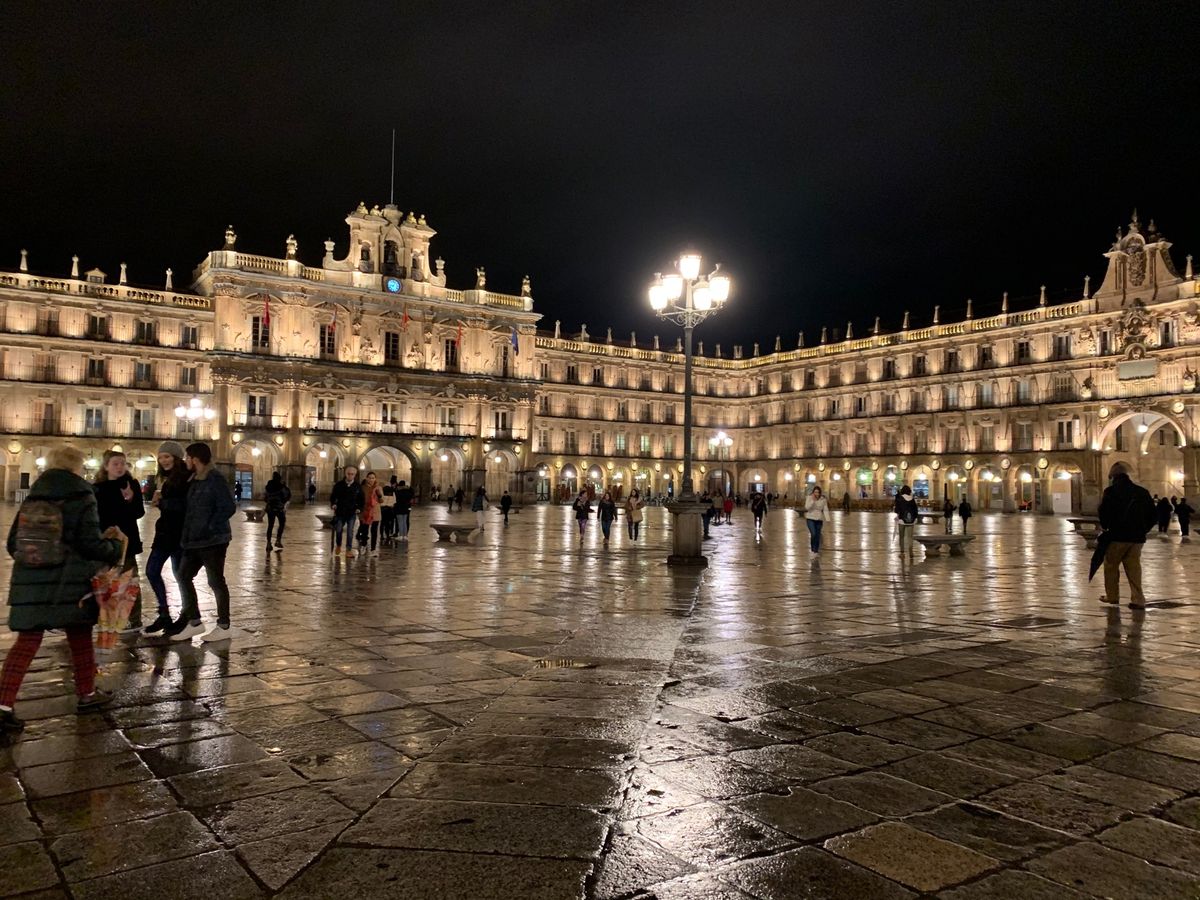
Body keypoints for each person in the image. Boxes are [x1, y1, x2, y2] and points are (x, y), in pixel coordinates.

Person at [1, 446, 125, 732]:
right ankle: (87, 694)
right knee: (80, 638)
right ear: (76, 468)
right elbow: (89, 543)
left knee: (27, 642)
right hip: (71, 581)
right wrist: (115, 546)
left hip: (31, 580)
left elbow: (12, 543)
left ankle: (3, 705)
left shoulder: (34, 496)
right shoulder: (81, 496)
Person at [168, 442, 237, 642]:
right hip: (194, 541)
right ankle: (195, 622)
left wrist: (209, 527)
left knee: (215, 581)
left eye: (187, 458)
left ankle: (224, 626)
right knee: (183, 575)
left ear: (195, 459)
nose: (185, 461)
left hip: (213, 541)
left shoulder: (214, 478)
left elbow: (227, 507)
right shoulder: (195, 478)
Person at [93, 450, 146, 631]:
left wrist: (130, 499)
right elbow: (96, 515)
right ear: (106, 466)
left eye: (123, 463)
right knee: (106, 580)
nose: (120, 467)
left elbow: (139, 512)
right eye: (115, 463)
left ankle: (134, 619)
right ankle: (108, 617)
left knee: (130, 580)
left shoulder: (132, 484)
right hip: (107, 540)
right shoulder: (98, 487)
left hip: (127, 541)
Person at [143, 441, 188, 636]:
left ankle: (186, 616)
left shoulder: (185, 477)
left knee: (180, 577)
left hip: (177, 535)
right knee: (153, 571)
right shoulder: (168, 478)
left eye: (167, 456)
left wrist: (162, 502)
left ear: (177, 458)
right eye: (161, 457)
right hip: (166, 533)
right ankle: (164, 613)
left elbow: (185, 507)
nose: (163, 461)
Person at [1098, 461, 1157, 610]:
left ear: (1114, 477)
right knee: (1134, 568)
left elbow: (1103, 512)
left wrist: (1106, 526)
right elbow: (1153, 515)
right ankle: (1138, 599)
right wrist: (1143, 530)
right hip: (1137, 538)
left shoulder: (1110, 492)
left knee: (1111, 566)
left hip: (1117, 536)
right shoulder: (1142, 492)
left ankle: (1112, 596)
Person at [330, 466, 362, 557]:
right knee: (339, 529)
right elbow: (333, 496)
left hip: (351, 512)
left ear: (355, 475)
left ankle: (348, 549)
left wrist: (359, 507)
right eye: (348, 474)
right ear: (345, 473)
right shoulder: (339, 485)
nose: (350, 476)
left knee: (350, 532)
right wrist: (333, 504)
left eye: (352, 474)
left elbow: (361, 499)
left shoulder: (357, 486)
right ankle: (338, 545)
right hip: (340, 511)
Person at [263, 472, 291, 551]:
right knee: (282, 523)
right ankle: (278, 540)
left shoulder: (268, 486)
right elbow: (288, 495)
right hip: (279, 509)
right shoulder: (281, 487)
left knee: (270, 526)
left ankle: (268, 543)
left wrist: (269, 501)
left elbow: (265, 498)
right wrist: (282, 502)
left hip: (270, 509)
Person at [358, 472, 384, 553]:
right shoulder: (362, 488)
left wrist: (379, 495)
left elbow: (381, 501)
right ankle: (364, 545)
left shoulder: (378, 488)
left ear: (375, 479)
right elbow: (359, 499)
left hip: (375, 512)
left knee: (374, 531)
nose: (371, 479)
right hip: (365, 511)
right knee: (364, 530)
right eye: (369, 478)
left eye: (373, 478)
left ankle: (373, 549)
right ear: (366, 478)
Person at [803, 487, 831, 554]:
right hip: (810, 518)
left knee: (818, 535)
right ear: (813, 492)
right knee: (813, 534)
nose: (817, 494)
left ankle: (816, 551)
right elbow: (807, 507)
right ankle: (813, 549)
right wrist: (813, 501)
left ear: (820, 493)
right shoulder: (809, 498)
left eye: (818, 492)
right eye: (815, 492)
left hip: (819, 519)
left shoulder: (823, 499)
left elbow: (825, 509)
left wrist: (828, 519)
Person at [895, 486, 918, 557]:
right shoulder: (912, 499)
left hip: (902, 520)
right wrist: (914, 518)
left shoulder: (900, 499)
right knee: (910, 537)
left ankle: (902, 553)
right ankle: (911, 552)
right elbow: (915, 510)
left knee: (901, 537)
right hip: (911, 520)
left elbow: (896, 510)